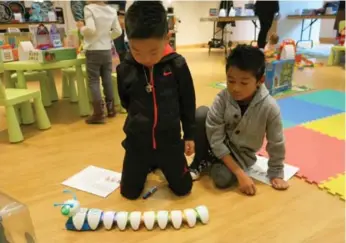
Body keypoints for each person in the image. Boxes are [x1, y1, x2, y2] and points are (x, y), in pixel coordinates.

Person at [116, 1, 196, 200]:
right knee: (129, 193)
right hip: (137, 142)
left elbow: (188, 101)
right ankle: (149, 162)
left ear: (167, 38)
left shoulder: (177, 65)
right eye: (136, 51)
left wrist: (189, 135)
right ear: (128, 42)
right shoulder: (125, 68)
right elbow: (125, 100)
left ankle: (160, 162)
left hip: (169, 141)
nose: (145, 58)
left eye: (153, 51)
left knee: (184, 189)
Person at [189, 45, 289, 196]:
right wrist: (240, 174)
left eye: (243, 83)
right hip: (216, 143)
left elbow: (276, 142)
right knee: (201, 113)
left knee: (221, 179)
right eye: (231, 81)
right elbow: (215, 137)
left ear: (260, 80)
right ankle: (199, 161)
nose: (235, 88)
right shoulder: (223, 98)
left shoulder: (269, 107)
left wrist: (276, 172)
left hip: (240, 155)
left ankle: (213, 161)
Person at [77, 1, 122, 124]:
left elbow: (90, 29)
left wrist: (81, 27)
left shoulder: (89, 8)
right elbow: (118, 31)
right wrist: (106, 36)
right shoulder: (112, 10)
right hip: (107, 49)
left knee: (94, 80)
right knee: (107, 79)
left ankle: (98, 113)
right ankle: (111, 110)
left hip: (93, 50)